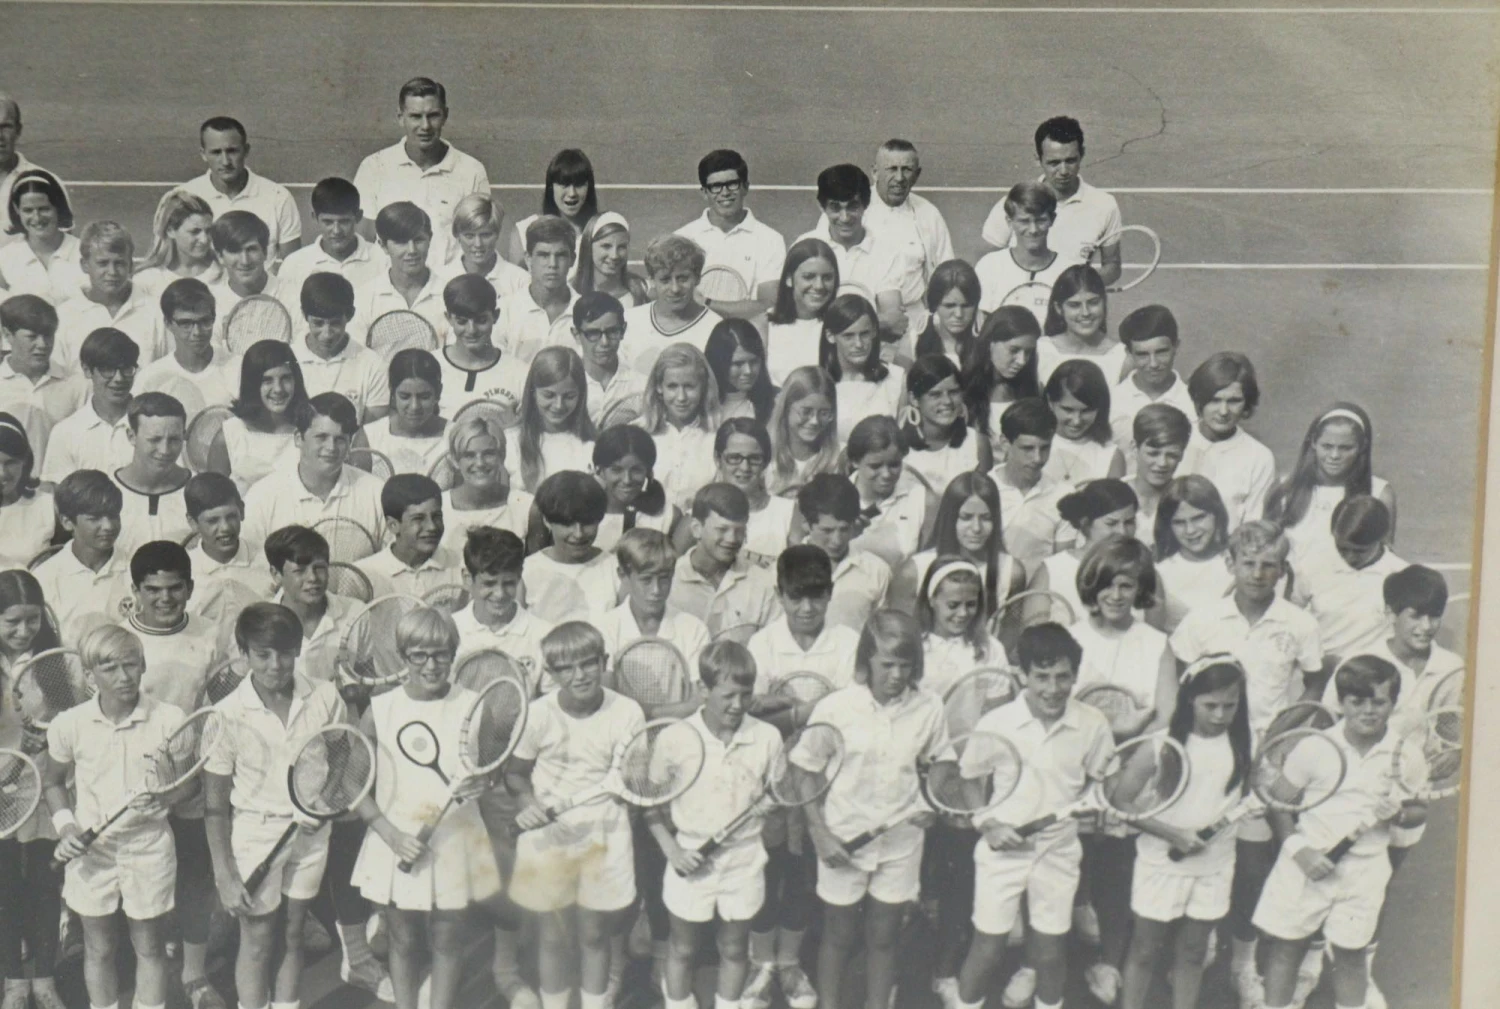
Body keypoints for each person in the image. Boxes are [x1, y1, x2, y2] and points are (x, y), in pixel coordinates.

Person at [1168, 521, 1324, 1002]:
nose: (1258, 573)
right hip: (1209, 756)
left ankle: (1242, 960)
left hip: (1264, 760)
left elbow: (1315, 684)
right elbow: (1180, 683)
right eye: (1249, 563)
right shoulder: (1201, 620)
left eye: (1269, 565)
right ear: (1230, 564)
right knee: (1199, 854)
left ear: (1282, 570)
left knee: (1253, 866)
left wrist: (1283, 738)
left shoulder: (1300, 624)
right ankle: (1194, 944)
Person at [951, 622, 1114, 1009]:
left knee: (1049, 953)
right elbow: (970, 779)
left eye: (1062, 677)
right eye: (1041, 677)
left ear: (1075, 675)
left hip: (1058, 851)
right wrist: (987, 824)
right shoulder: (996, 723)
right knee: (987, 950)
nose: (1053, 688)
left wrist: (1094, 803)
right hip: (1001, 851)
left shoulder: (1092, 724)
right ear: (1022, 675)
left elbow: (1099, 781)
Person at [352, 607, 503, 1009]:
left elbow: (490, 771)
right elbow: (353, 783)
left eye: (441, 654)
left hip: (457, 841)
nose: (431, 665)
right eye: (419, 654)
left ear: (454, 653)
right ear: (403, 656)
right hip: (397, 839)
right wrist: (390, 834)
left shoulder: (475, 704)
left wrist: (482, 782)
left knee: (449, 937)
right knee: (402, 938)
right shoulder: (380, 709)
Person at [1252, 656, 1420, 1009]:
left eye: (1379, 701)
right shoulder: (1314, 746)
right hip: (1304, 865)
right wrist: (1301, 851)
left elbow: (1419, 809)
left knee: (1351, 954)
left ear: (1393, 703)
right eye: (1357, 701)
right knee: (1286, 949)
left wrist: (1400, 813)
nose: (1369, 711)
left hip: (1365, 871)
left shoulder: (1406, 754)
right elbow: (1279, 805)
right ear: (1341, 703)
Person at [204, 603, 349, 1009]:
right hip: (255, 832)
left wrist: (323, 800)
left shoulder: (324, 696)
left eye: (285, 652)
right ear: (243, 653)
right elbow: (215, 806)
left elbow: (341, 755)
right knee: (257, 940)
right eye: (263, 654)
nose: (275, 664)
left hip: (312, 829)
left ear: (299, 649)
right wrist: (225, 874)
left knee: (293, 933)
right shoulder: (226, 715)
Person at [804, 610, 949, 1009]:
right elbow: (805, 769)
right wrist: (820, 832)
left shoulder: (930, 707)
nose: (897, 675)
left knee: (884, 937)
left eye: (906, 665)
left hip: (902, 842)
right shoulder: (836, 708)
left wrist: (931, 801)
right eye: (887, 664)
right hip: (843, 836)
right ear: (866, 659)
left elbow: (943, 761)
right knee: (838, 934)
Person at [739, 546, 857, 1009]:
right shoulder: (762, 644)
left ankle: (789, 963)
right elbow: (752, 714)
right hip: (766, 779)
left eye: (817, 597)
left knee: (807, 874)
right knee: (765, 871)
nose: (806, 608)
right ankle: (760, 961)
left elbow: (845, 719)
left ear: (830, 594)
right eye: (795, 597)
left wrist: (784, 709)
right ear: (780, 594)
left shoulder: (849, 642)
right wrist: (814, 710)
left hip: (826, 780)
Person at [45, 624, 187, 1009]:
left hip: (149, 849)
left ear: (143, 666)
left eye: (131, 665)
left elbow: (190, 783)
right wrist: (67, 827)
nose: (124, 677)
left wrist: (168, 799)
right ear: (89, 677)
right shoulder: (69, 725)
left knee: (150, 947)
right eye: (110, 669)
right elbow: (54, 783)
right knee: (99, 948)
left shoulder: (170, 719)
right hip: (93, 854)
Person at [506, 621, 647, 1009]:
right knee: (552, 937)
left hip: (605, 835)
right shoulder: (537, 714)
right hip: (548, 839)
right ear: (550, 674)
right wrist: (526, 805)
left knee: (594, 935)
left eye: (588, 663)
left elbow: (633, 782)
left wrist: (630, 796)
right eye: (566, 668)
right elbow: (516, 775)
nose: (580, 675)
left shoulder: (628, 712)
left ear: (603, 662)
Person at [1068, 537, 1177, 1002]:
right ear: (1092, 586)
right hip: (1076, 770)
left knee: (1117, 871)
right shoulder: (1072, 636)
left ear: (1140, 589)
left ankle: (1109, 962)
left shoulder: (1156, 644)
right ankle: (1044, 964)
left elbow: (1165, 716)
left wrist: (1128, 770)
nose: (1116, 595)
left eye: (1126, 585)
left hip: (1132, 772)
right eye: (1107, 585)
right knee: (1067, 868)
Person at [118, 541, 225, 1008]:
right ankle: (151, 963)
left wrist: (198, 771)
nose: (165, 598)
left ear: (190, 587)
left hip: (195, 776)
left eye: (174, 588)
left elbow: (219, 705)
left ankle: (195, 975)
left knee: (195, 877)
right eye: (153, 589)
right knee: (147, 880)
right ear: (136, 591)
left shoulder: (211, 634)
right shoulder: (121, 640)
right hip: (137, 783)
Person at [649, 640, 783, 1009]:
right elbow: (651, 808)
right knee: (682, 948)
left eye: (745, 694)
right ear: (703, 690)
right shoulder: (675, 738)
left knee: (736, 948)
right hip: (688, 858)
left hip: (744, 862)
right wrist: (673, 850)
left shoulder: (767, 738)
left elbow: (776, 794)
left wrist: (770, 806)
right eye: (727, 695)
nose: (737, 705)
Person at [1120, 656, 1253, 1009]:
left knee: (1194, 952)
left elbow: (1247, 796)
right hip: (1161, 863)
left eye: (1230, 705)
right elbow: (1120, 800)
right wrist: (1173, 835)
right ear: (1189, 699)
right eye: (1210, 705)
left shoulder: (1242, 746)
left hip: (1215, 865)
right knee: (1145, 950)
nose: (1220, 715)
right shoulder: (1161, 745)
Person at [0, 569, 66, 1009]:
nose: (25, 631)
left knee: (46, 886)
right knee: (5, 889)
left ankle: (44, 979)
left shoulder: (55, 661)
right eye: (12, 622)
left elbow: (72, 715)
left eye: (33, 620)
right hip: (3, 793)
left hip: (46, 788)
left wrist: (47, 736)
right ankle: (13, 983)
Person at [353, 77, 492, 268]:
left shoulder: (472, 170)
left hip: (449, 289)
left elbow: (479, 241)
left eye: (433, 115)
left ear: (445, 115)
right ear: (400, 117)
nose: (425, 126)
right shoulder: (373, 167)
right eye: (415, 116)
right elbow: (364, 241)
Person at [981, 116, 1123, 286]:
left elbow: (1112, 266)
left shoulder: (1105, 205)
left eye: (1070, 160)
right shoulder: (1013, 204)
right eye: (1054, 163)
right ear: (1037, 159)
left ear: (1082, 155)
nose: (1063, 171)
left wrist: (1078, 284)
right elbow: (985, 261)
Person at [1321, 564, 1464, 725]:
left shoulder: (1451, 667)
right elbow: (1326, 722)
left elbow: (1449, 729)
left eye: (1434, 616)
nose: (1427, 626)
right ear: (1390, 614)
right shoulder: (1358, 662)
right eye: (1415, 616)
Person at [240, 392, 387, 549]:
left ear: (350, 443)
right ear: (298, 438)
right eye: (321, 437)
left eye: (340, 439)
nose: (331, 447)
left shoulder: (377, 493)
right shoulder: (262, 496)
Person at [891, 470, 1026, 630]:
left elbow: (1010, 629)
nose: (976, 528)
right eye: (966, 517)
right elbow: (898, 632)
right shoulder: (914, 571)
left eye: (986, 518)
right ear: (950, 518)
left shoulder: (1011, 571)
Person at [1266, 402, 1397, 563]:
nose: (1334, 455)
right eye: (1327, 446)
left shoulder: (1379, 493)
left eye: (1346, 448)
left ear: (1362, 447)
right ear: (1313, 443)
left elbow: (1384, 559)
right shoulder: (1285, 488)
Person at [800, 164, 916, 346]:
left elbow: (894, 323)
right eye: (835, 207)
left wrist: (827, 326)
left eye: (852, 206)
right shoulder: (803, 247)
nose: (844, 217)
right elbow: (795, 315)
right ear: (821, 206)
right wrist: (871, 324)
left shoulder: (887, 251)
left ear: (865, 205)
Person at [597, 526, 710, 708]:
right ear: (622, 575)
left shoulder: (694, 629)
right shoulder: (604, 628)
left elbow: (697, 701)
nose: (656, 590)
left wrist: (651, 716)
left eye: (664, 578)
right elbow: (607, 701)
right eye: (646, 579)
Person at [1290, 496, 1409, 668]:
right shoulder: (1311, 564)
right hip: (1318, 670)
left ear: (1381, 539)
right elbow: (1291, 615)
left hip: (1373, 673)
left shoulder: (1401, 575)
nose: (1349, 557)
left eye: (1360, 551)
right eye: (1342, 548)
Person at [675, 149, 786, 319]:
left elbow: (768, 305)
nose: (725, 192)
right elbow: (658, 294)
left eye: (732, 184)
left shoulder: (771, 240)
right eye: (715, 186)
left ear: (745, 187)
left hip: (746, 337)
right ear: (704, 192)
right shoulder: (682, 238)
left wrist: (706, 302)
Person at [53, 222, 170, 374]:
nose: (112, 272)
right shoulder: (63, 317)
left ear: (131, 266)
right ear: (85, 265)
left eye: (120, 263)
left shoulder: (156, 313)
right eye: (102, 263)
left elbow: (167, 374)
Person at [1179, 351, 1277, 531]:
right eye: (1215, 400)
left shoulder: (1259, 457)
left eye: (1234, 401)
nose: (1223, 411)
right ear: (1199, 400)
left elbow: (1252, 527)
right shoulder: (1176, 439)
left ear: (1246, 403)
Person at [179, 116, 300, 261]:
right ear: (203, 154)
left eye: (232, 151)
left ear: (246, 150)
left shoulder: (279, 197)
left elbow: (293, 266)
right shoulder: (182, 198)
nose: (225, 162)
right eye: (216, 152)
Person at [668, 482, 780, 637]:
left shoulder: (762, 583)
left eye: (740, 531)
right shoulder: (668, 580)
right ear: (696, 529)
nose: (732, 539)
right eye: (722, 529)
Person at [453, 526, 555, 697]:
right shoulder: (449, 631)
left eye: (508, 583)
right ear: (467, 579)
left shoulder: (545, 635)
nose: (500, 594)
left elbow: (550, 707)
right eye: (489, 583)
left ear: (519, 576)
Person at [1024, 478, 1140, 626]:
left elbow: (1152, 637)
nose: (1122, 531)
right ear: (1086, 523)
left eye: (1129, 522)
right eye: (1111, 523)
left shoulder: (1143, 569)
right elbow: (1032, 638)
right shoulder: (1053, 570)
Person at [32, 469, 130, 637]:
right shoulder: (44, 578)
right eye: (94, 518)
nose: (108, 526)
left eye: (113, 516)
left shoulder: (135, 569)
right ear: (67, 522)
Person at [207, 339, 312, 492]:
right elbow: (212, 500)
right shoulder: (230, 435)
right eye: (267, 380)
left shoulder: (310, 430)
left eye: (285, 378)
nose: (278, 389)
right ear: (252, 385)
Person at [39, 326, 138, 484]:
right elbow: (54, 495)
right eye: (107, 369)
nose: (119, 378)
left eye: (126, 369)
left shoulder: (152, 425)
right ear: (87, 370)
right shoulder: (65, 432)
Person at [291, 271, 391, 425]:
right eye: (318, 323)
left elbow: (370, 436)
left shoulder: (373, 365)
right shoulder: (286, 361)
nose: (327, 334)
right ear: (304, 315)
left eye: (335, 323)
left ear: (350, 315)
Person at [522, 470, 619, 624]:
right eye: (567, 523)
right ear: (547, 521)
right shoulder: (526, 571)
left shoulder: (614, 569)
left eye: (587, 523)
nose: (578, 534)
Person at [797, 473, 891, 632]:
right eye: (827, 530)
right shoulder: (783, 568)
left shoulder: (876, 570)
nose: (837, 540)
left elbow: (881, 633)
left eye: (844, 529)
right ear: (807, 525)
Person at [0, 294, 86, 468]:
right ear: (8, 335)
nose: (43, 344)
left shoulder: (77, 384)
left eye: (48, 336)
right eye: (32, 337)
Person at [975, 182, 1077, 327]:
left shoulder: (1070, 271)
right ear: (1009, 222)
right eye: (1024, 221)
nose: (1033, 229)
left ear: (1052, 219)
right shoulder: (989, 266)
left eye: (1041, 220)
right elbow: (982, 327)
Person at [620, 235, 722, 379]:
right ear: (652, 280)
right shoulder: (628, 320)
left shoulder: (716, 328)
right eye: (665, 279)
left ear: (698, 277)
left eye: (683, 278)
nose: (675, 288)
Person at [137, 278, 238, 422]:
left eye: (204, 321)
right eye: (186, 323)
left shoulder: (238, 367)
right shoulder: (149, 378)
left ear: (214, 319)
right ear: (168, 323)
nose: (197, 332)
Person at [636, 343, 721, 510]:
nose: (681, 397)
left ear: (703, 387)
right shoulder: (638, 432)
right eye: (672, 386)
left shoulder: (718, 435)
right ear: (659, 387)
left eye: (689, 387)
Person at [277, 177, 388, 301]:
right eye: (328, 222)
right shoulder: (293, 265)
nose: (336, 231)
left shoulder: (383, 261)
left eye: (344, 221)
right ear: (315, 218)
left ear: (358, 216)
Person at [353, 202, 449, 344]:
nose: (412, 250)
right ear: (383, 246)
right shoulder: (364, 298)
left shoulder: (450, 294)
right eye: (401, 242)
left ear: (430, 239)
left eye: (419, 240)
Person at [353, 473, 460, 599]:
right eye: (418, 519)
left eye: (437, 516)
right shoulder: (362, 575)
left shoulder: (461, 565)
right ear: (393, 525)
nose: (432, 527)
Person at [990, 397, 1068, 568]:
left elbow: (1062, 566)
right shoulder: (982, 488)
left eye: (1045, 448)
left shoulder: (1063, 495)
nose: (1037, 459)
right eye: (1027, 448)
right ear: (1004, 443)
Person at [112, 393, 193, 557]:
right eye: (154, 439)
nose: (165, 450)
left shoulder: (200, 491)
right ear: (131, 436)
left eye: (174, 439)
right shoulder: (104, 492)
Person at [1110, 305, 1196, 459]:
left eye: (1161, 352)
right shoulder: (1111, 402)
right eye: (1142, 354)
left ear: (1176, 347)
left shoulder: (1195, 403)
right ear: (1128, 353)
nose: (1153, 364)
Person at [438, 273, 528, 419]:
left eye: (481, 320)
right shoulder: (429, 365)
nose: (471, 330)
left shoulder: (520, 373)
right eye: (462, 321)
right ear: (448, 318)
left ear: (496, 316)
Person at [866, 139, 955, 286]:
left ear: (917, 174)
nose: (899, 178)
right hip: (864, 307)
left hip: (915, 307)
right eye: (892, 169)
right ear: (875, 172)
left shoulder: (929, 214)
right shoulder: (851, 211)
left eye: (907, 169)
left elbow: (946, 270)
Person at [440, 410, 532, 551]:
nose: (480, 463)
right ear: (455, 460)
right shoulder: (439, 507)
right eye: (469, 455)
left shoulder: (525, 506)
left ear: (502, 456)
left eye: (489, 454)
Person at [508, 345, 596, 493]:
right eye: (549, 395)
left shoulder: (591, 443)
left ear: (581, 395)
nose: (558, 405)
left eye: (569, 396)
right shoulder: (511, 442)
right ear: (533, 392)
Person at [1153, 475, 1234, 632]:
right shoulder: (1160, 571)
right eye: (1179, 522)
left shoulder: (1236, 561)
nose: (1190, 530)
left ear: (1216, 515)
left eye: (1198, 518)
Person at [846, 415, 928, 570]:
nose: (886, 474)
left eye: (894, 465)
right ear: (855, 461)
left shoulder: (919, 497)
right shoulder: (833, 497)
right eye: (875, 466)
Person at [916, 557, 1007, 698]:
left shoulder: (990, 648)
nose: (963, 613)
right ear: (931, 600)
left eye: (971, 604)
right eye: (953, 605)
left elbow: (998, 707)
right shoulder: (914, 645)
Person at [900, 354, 992, 493]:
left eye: (954, 392)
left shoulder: (977, 443)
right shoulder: (898, 447)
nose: (947, 401)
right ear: (914, 399)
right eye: (935, 394)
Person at [496, 215, 580, 365]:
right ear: (528, 259)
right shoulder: (504, 310)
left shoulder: (585, 310)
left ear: (572, 259)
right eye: (543, 255)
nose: (552, 264)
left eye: (560, 255)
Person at [183, 472, 276, 605]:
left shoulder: (268, 562)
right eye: (213, 520)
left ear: (242, 511)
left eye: (231, 516)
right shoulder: (184, 569)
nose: (225, 527)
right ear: (193, 522)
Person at [823, 294, 904, 444]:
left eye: (864, 334)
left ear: (874, 331)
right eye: (848, 336)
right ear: (830, 336)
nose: (859, 344)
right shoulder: (819, 382)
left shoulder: (897, 379)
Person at [714, 418, 796, 568]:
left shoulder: (788, 513)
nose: (745, 467)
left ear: (765, 462)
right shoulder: (700, 512)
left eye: (754, 459)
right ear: (718, 459)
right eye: (734, 458)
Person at [0, 169, 85, 304]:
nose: (37, 218)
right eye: (28, 210)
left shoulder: (84, 252)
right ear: (17, 210)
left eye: (44, 209)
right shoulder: (5, 258)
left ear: (58, 206)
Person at [591, 425, 679, 553]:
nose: (627, 480)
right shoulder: (582, 515)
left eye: (636, 470)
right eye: (616, 470)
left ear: (648, 472)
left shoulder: (667, 515)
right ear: (599, 471)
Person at [504, 149, 599, 266]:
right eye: (564, 184)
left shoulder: (600, 232)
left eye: (579, 184)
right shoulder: (523, 231)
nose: (572, 193)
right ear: (551, 187)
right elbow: (514, 282)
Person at [205, 210, 296, 331]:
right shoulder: (209, 303)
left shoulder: (293, 297)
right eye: (234, 250)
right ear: (220, 257)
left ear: (265, 252)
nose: (245, 261)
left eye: (251, 249)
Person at [362, 348, 449, 475]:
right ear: (392, 393)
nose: (414, 406)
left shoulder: (454, 435)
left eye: (424, 397)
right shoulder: (370, 437)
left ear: (438, 392)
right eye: (405, 396)